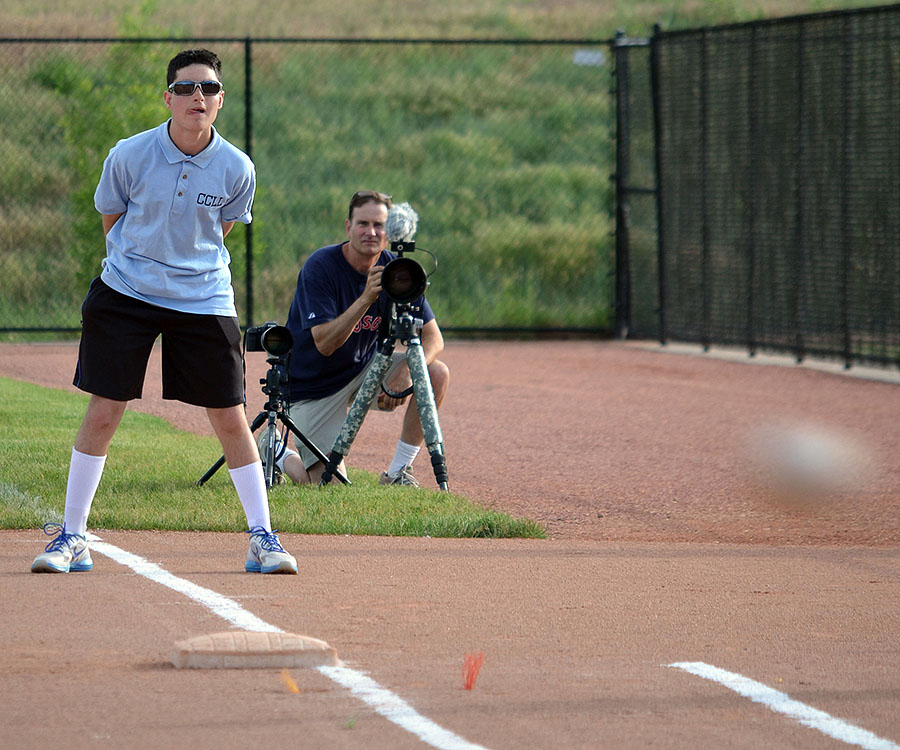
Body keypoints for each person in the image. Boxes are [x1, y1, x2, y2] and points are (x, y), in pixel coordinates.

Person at [31, 49, 297, 575]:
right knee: (105, 410)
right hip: (126, 291)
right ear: (168, 97)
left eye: (208, 88)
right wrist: (143, 269)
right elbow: (113, 218)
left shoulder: (236, 167)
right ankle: (72, 537)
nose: (197, 96)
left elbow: (216, 233)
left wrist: (182, 272)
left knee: (229, 415)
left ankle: (263, 538)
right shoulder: (129, 154)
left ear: (220, 100)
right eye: (185, 88)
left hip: (203, 297)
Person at [269, 190, 450, 486]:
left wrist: (404, 371)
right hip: (313, 386)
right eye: (363, 223)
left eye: (379, 225)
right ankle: (276, 450)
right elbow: (325, 345)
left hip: (366, 370)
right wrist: (366, 298)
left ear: (389, 231)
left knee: (435, 372)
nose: (371, 232)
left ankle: (397, 473)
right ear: (348, 227)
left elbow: (434, 339)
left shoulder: (396, 268)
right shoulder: (321, 267)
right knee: (327, 486)